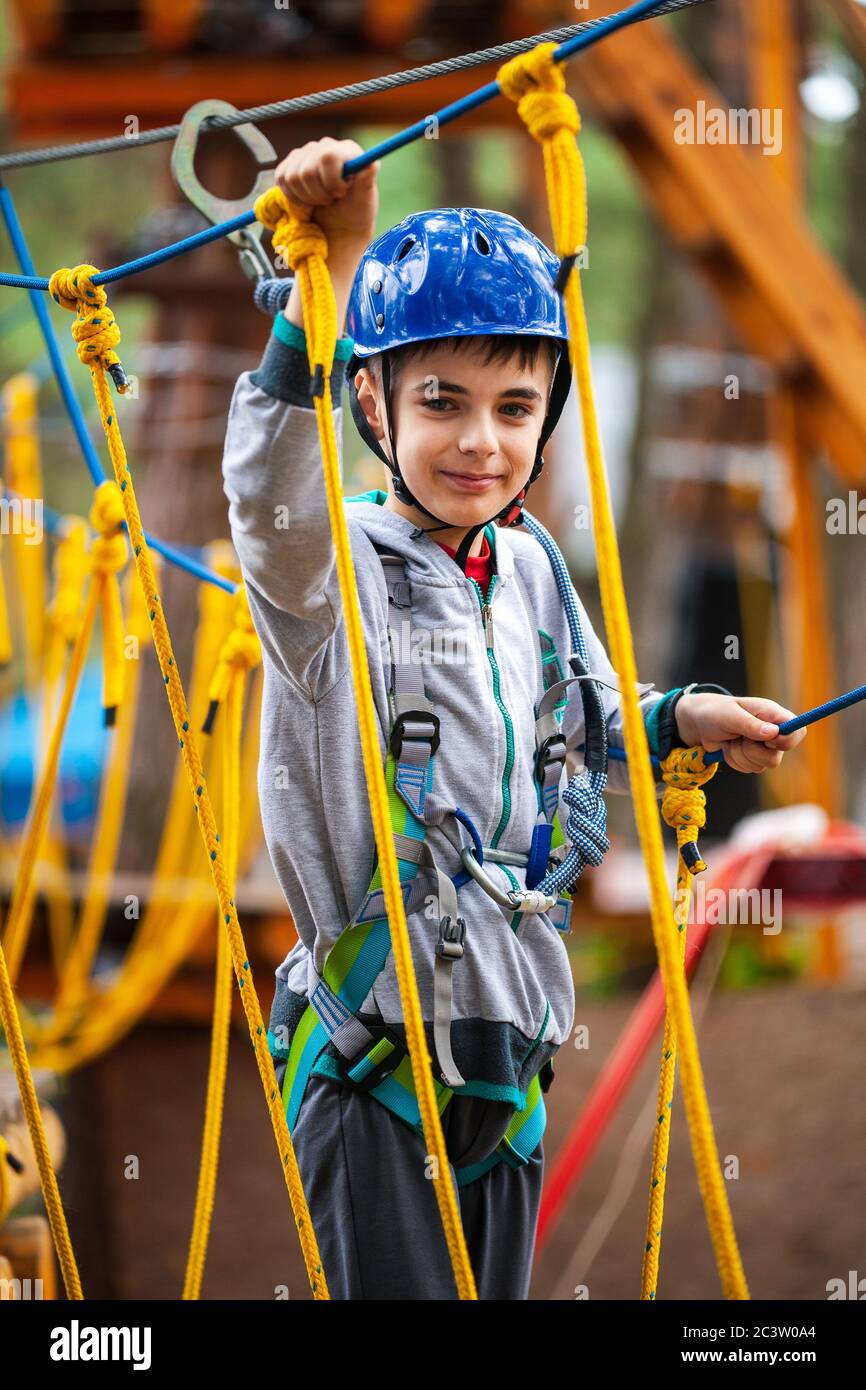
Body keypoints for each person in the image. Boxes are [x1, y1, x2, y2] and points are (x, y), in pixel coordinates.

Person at [220, 138, 806, 1300]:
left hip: (511, 1047)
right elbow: (267, 510)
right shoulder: (331, 577)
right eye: (440, 401)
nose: (480, 440)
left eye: (513, 405)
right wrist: (319, 288)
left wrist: (686, 716)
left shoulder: (527, 563)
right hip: (378, 1057)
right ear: (372, 403)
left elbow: (580, 719)